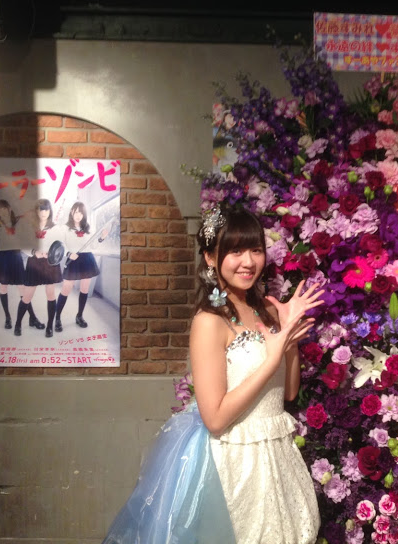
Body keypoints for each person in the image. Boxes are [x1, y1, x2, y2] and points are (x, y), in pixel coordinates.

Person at [103, 204, 322, 544]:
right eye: (235, 251)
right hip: (234, 463)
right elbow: (216, 419)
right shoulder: (209, 322)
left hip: (277, 454)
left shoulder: (267, 308)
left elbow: (289, 392)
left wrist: (288, 335)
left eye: (256, 250)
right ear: (209, 257)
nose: (248, 261)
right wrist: (273, 356)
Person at [55, 202, 108, 331]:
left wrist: (101, 238)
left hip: (87, 259)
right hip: (73, 259)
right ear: (71, 212)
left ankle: (79, 316)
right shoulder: (65, 228)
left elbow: (93, 246)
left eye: (81, 213)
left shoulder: (88, 228)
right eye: (76, 212)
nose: (78, 215)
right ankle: (57, 318)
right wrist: (68, 253)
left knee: (84, 289)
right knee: (66, 288)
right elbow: (60, 245)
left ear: (84, 214)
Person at [19, 199, 65, 338]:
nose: (43, 212)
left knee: (50, 294)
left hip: (50, 263)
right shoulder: (30, 227)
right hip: (34, 261)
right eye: (40, 209)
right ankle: (18, 325)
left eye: (46, 209)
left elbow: (60, 247)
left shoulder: (56, 228)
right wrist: (35, 252)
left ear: (50, 211)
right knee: (27, 295)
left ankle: (49, 326)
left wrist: (50, 254)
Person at [0, 200, 27, 331]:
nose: (2, 212)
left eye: (4, 209)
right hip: (2, 258)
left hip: (16, 257)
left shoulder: (18, 223)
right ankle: (7, 317)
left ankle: (32, 317)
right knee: (3, 287)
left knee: (22, 288)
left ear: (9, 209)